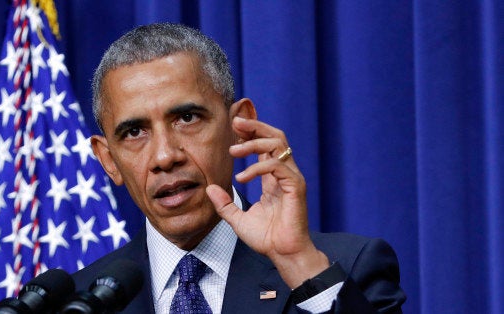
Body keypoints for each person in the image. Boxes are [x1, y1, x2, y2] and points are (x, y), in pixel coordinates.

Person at [72, 23, 406, 313]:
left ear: (240, 125)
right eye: (134, 132)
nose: (164, 156)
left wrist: (298, 263)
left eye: (187, 118)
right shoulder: (79, 302)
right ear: (108, 160)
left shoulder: (347, 268)